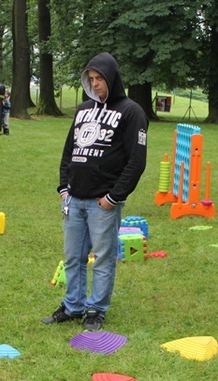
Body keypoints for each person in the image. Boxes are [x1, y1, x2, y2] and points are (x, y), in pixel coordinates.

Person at [41, 52, 148, 331]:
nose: (96, 84)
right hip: (74, 199)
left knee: (102, 258)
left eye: (100, 78)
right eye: (91, 79)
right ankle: (73, 306)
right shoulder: (83, 109)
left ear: (111, 78)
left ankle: (96, 310)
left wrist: (114, 197)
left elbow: (136, 161)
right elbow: (69, 150)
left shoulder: (131, 112)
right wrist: (64, 188)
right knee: (73, 256)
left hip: (103, 203)